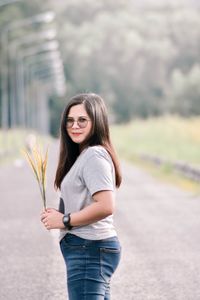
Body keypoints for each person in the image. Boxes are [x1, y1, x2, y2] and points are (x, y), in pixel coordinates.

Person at [41, 93, 122, 300]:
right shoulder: (84, 155)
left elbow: (105, 206)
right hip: (90, 248)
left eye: (82, 120)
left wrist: (64, 220)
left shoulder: (94, 156)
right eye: (70, 120)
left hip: (89, 249)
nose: (74, 126)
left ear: (97, 122)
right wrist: (59, 214)